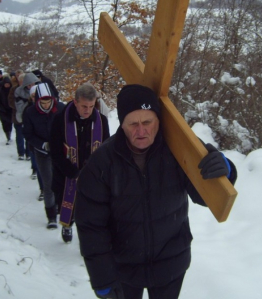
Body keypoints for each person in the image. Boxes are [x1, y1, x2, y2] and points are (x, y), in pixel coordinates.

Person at [75, 84, 238, 299]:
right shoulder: (102, 164)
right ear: (121, 124)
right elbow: (91, 225)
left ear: (158, 121)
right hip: (123, 268)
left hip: (171, 264)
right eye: (133, 123)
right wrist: (102, 278)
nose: (141, 131)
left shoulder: (179, 150)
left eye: (147, 122)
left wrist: (225, 171)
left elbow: (205, 196)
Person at [49, 82, 110, 243]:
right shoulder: (60, 119)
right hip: (66, 173)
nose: (87, 110)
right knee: (68, 202)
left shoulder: (101, 121)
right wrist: (71, 171)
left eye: (91, 106)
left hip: (92, 175)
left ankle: (89, 235)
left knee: (92, 207)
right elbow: (54, 150)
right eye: (84, 106)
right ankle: (67, 224)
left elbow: (106, 148)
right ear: (75, 102)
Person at [23, 83, 65, 228]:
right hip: (41, 152)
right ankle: (51, 216)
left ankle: (60, 206)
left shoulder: (61, 108)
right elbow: (27, 134)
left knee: (61, 181)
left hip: (60, 151)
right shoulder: (30, 112)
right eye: (43, 102)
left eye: (49, 102)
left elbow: (68, 126)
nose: (46, 105)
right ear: (37, 101)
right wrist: (42, 144)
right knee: (48, 184)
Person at [0, 76, 13, 144]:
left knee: (10, 123)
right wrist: (1, 108)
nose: (7, 85)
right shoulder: (0, 90)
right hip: (2, 110)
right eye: (6, 84)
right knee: (4, 123)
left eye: (8, 84)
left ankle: (9, 135)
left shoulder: (12, 90)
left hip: (10, 110)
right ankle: (7, 135)